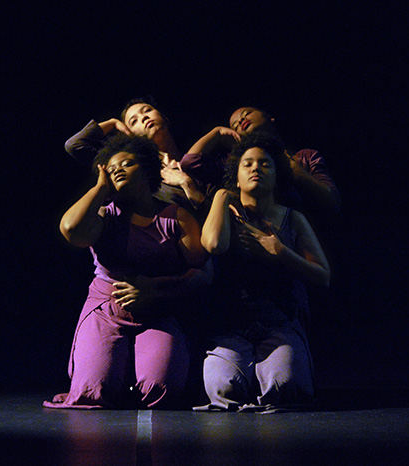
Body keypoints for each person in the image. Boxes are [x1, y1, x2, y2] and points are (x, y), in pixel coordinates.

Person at [44, 134, 209, 409]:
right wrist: (99, 187)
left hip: (157, 309)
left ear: (146, 170)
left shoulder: (175, 216)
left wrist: (154, 290)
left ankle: (133, 371)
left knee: (161, 390)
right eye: (110, 168)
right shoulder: (105, 215)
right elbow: (71, 230)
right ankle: (116, 373)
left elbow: (202, 273)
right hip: (107, 308)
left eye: (126, 163)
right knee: (92, 392)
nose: (116, 169)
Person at [197, 133, 330, 412]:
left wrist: (279, 252)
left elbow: (322, 276)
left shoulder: (292, 218)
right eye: (247, 164)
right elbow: (213, 245)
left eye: (264, 164)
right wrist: (222, 195)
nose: (256, 168)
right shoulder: (225, 208)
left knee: (287, 386)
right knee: (224, 388)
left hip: (279, 323)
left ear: (277, 176)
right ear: (236, 175)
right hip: (232, 327)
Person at [183, 106, 341, 223]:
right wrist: (217, 133)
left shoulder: (305, 157)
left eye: (246, 114)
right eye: (235, 125)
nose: (241, 121)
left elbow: (331, 201)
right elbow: (190, 162)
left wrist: (291, 167)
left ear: (268, 116)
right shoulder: (240, 165)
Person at [64, 97, 211, 222]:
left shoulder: (196, 163)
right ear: (131, 134)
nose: (144, 118)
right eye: (134, 121)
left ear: (165, 118)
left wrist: (187, 184)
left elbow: (219, 219)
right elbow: (74, 145)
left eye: (147, 110)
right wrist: (113, 123)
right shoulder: (134, 171)